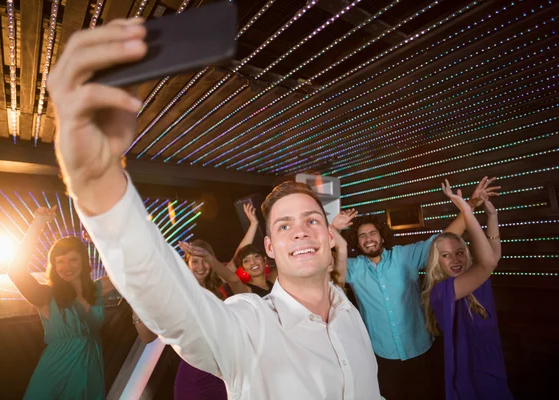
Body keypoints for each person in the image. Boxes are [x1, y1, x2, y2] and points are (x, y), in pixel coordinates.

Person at [47, 17, 381, 398]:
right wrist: (95, 180)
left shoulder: (348, 314)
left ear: (328, 235)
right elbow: (172, 303)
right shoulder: (248, 326)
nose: (301, 229)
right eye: (284, 225)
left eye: (311, 220)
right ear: (269, 248)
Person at [332, 177, 500, 399]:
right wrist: (333, 228)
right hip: (382, 354)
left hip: (420, 347)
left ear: (382, 237)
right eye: (362, 235)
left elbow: (444, 239)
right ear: (357, 242)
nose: (368, 238)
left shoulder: (404, 255)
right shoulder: (352, 268)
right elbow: (328, 267)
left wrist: (471, 204)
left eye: (373, 233)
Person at [7, 206, 116, 399]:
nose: (66, 267)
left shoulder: (96, 290)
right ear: (53, 265)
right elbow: (15, 271)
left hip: (91, 373)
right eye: (60, 261)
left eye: (73, 260)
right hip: (55, 377)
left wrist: (103, 242)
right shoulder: (45, 295)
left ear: (84, 261)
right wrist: (38, 223)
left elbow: (129, 271)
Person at [422, 180, 512, 399]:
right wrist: (467, 210)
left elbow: (493, 257)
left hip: (493, 359)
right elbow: (488, 263)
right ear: (437, 262)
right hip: (470, 369)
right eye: (446, 255)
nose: (455, 260)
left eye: (460, 252)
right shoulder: (441, 292)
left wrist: (492, 216)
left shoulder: (476, 276)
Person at [134, 239, 228, 400]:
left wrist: (254, 224)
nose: (201, 267)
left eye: (205, 261)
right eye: (195, 261)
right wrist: (136, 302)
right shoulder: (177, 295)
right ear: (187, 263)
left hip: (225, 372)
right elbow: (147, 337)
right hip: (195, 376)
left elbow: (234, 270)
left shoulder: (219, 291)